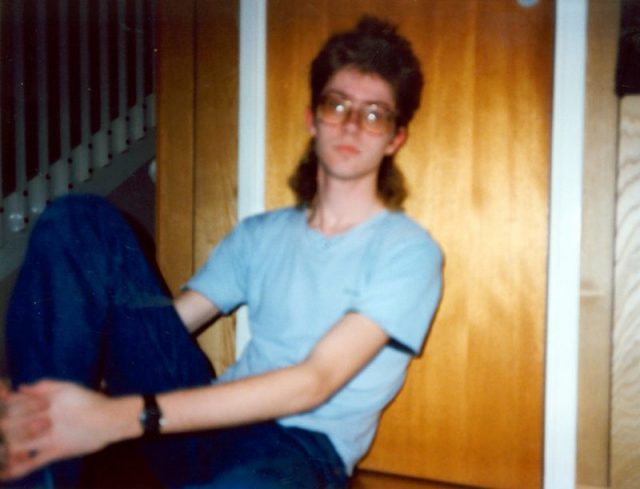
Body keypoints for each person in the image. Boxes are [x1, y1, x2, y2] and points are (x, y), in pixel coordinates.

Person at [0, 16, 442, 489]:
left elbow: (314, 381)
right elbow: (171, 326)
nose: (353, 124)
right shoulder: (259, 234)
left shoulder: (408, 251)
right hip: (200, 420)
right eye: (338, 105)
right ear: (313, 119)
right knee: (80, 218)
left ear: (395, 138)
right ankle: (32, 441)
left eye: (374, 113)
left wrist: (117, 416)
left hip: (298, 450)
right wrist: (76, 391)